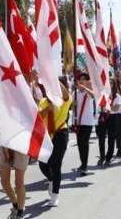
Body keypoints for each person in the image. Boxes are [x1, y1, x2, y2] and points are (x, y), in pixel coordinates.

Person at [38, 77, 72, 207]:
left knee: (56, 165)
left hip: (60, 133)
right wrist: (47, 109)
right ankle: (51, 179)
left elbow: (64, 94)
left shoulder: (65, 100)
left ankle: (55, 195)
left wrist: (53, 79)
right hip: (46, 135)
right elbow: (39, 116)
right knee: (43, 164)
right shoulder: (44, 101)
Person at [72, 71, 95, 176]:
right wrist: (73, 105)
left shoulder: (89, 92)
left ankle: (84, 165)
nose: (81, 81)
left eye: (83, 80)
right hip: (78, 122)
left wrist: (85, 88)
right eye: (79, 80)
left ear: (87, 82)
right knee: (80, 144)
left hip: (87, 122)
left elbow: (94, 95)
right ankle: (82, 163)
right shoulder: (74, 94)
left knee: (84, 143)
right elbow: (71, 108)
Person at [95, 86, 118, 166]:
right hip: (102, 115)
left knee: (111, 138)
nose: (110, 85)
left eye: (111, 83)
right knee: (101, 138)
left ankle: (108, 157)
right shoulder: (101, 95)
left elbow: (116, 108)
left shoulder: (116, 96)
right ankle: (102, 157)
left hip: (112, 117)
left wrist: (107, 105)